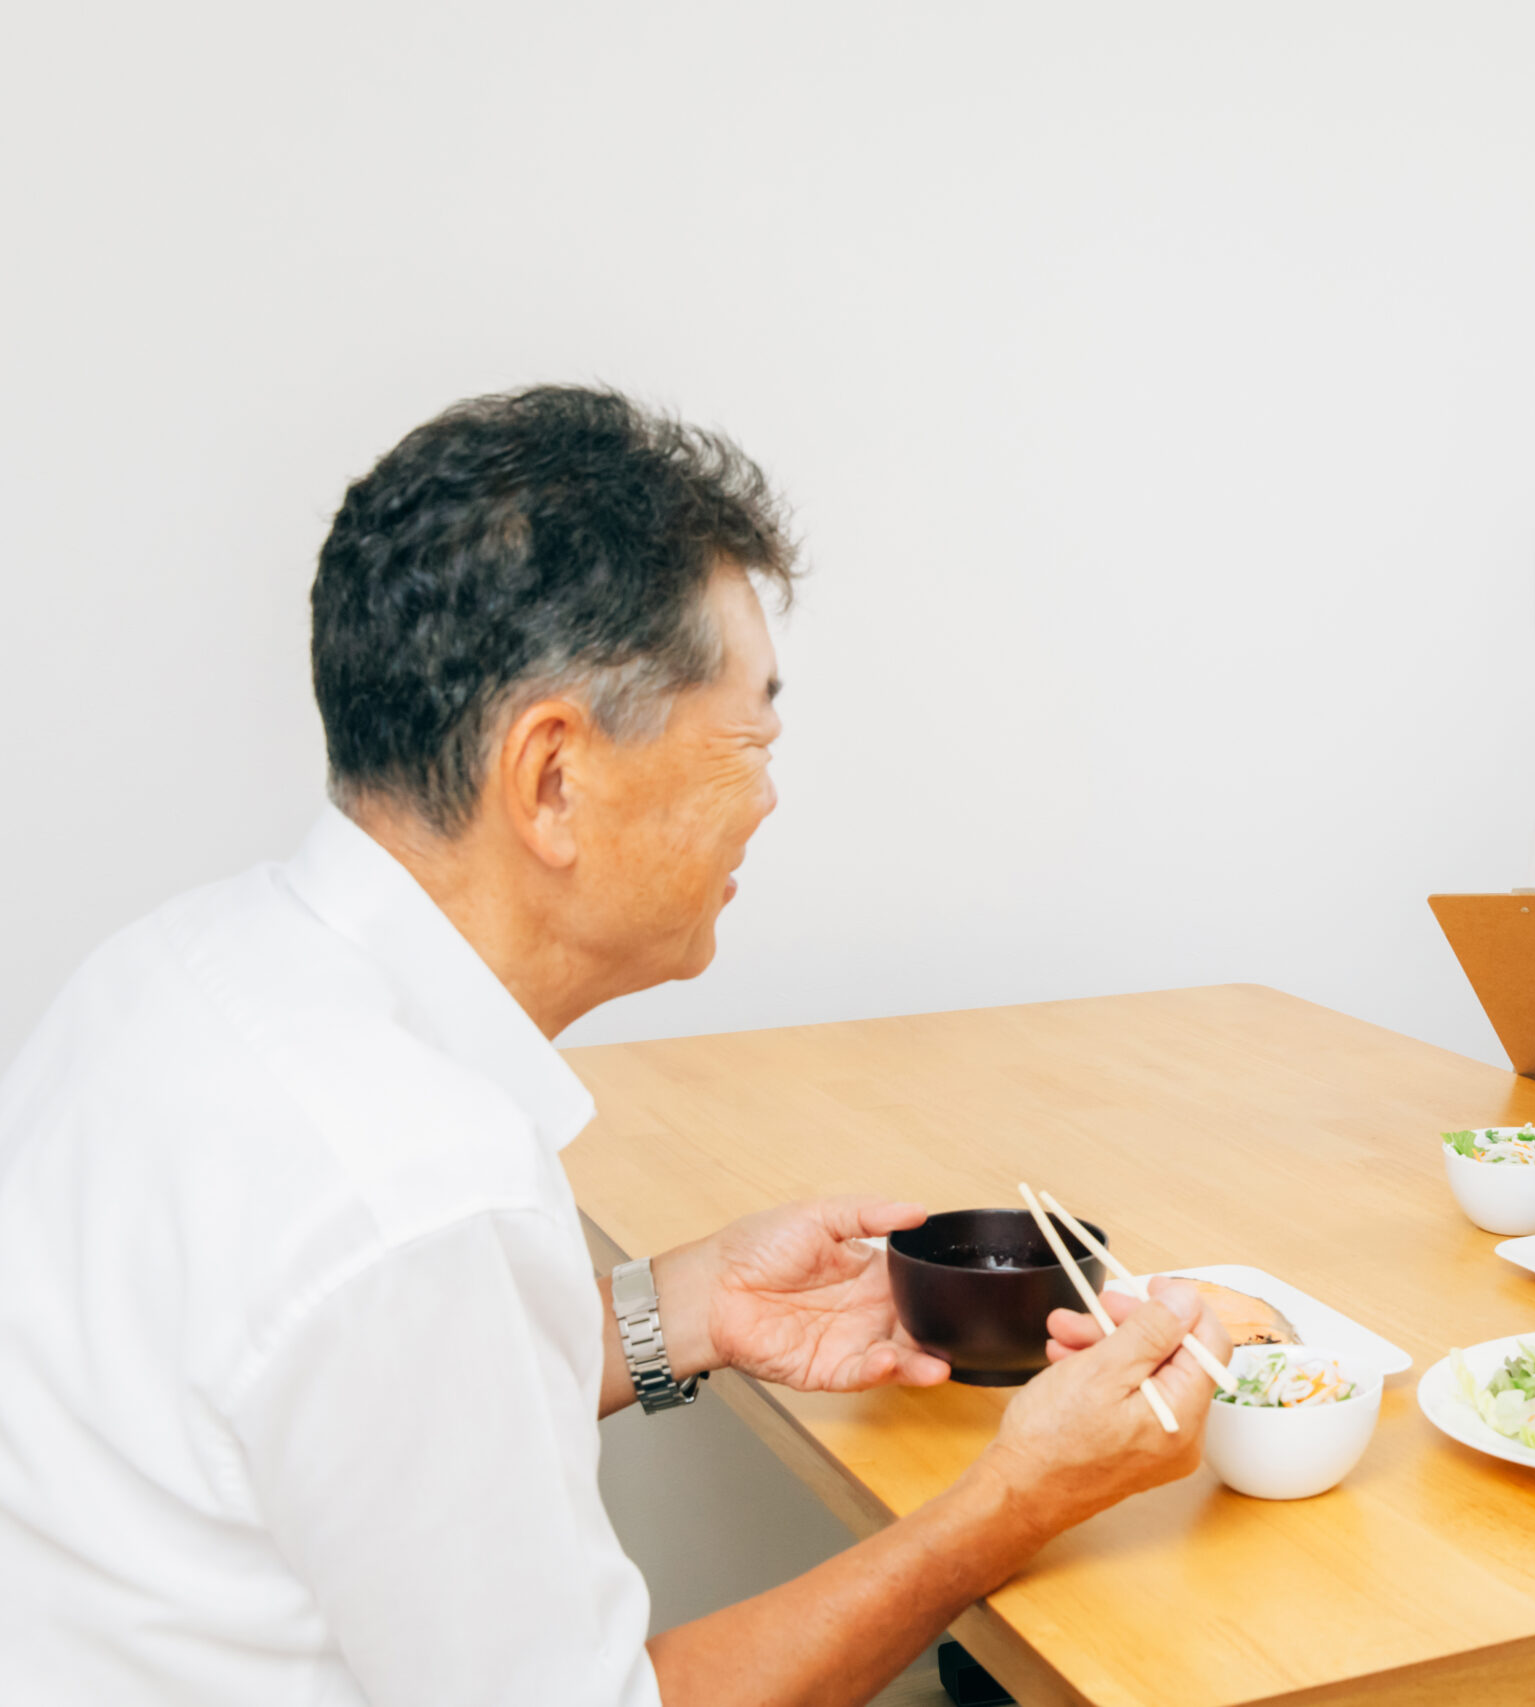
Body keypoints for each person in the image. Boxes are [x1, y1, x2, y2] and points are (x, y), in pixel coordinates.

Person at [0, 386, 1230, 1706]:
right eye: (750, 734)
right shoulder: (416, 1185)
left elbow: (356, 1413)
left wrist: (687, 1308)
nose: (769, 795)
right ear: (552, 778)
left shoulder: (177, 972)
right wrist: (1014, 1498)